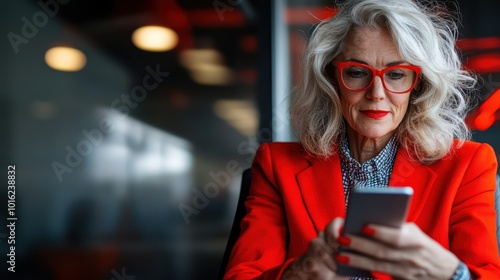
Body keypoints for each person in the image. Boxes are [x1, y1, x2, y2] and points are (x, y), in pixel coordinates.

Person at [223, 0, 500, 279]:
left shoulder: (467, 165)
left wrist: (453, 274)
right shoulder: (276, 165)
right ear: (331, 78)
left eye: (396, 74)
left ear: (418, 85)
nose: (377, 93)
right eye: (357, 72)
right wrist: (300, 272)